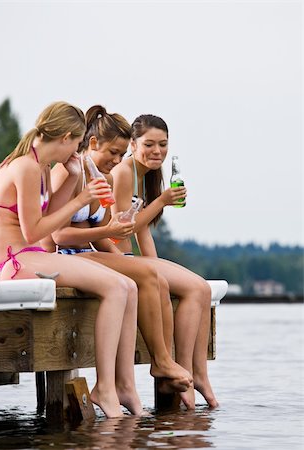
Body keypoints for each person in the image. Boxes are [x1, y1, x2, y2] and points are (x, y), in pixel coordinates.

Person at [0, 101, 144, 418]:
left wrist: (72, 178)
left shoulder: (37, 167)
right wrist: (82, 197)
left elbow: (50, 215)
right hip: (15, 263)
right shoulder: (25, 167)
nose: (77, 153)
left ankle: (123, 385)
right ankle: (104, 388)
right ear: (66, 137)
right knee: (117, 288)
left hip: (31, 257)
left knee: (128, 286)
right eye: (77, 145)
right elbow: (36, 230)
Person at [50, 105, 193, 395]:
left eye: (119, 154)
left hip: (87, 255)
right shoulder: (68, 174)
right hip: (61, 257)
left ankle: (154, 368)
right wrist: (112, 235)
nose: (117, 160)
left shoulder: (106, 177)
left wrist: (123, 258)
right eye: (113, 153)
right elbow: (57, 235)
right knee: (144, 276)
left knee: (149, 273)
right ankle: (158, 363)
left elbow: (105, 233)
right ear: (92, 144)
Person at [111, 114, 219, 409]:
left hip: (134, 259)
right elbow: (125, 227)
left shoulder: (145, 175)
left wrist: (156, 268)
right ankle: (179, 370)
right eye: (149, 144)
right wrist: (162, 202)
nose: (157, 151)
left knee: (201, 289)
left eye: (163, 144)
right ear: (132, 144)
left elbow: (144, 231)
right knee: (193, 287)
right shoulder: (122, 172)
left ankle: (195, 373)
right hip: (116, 257)